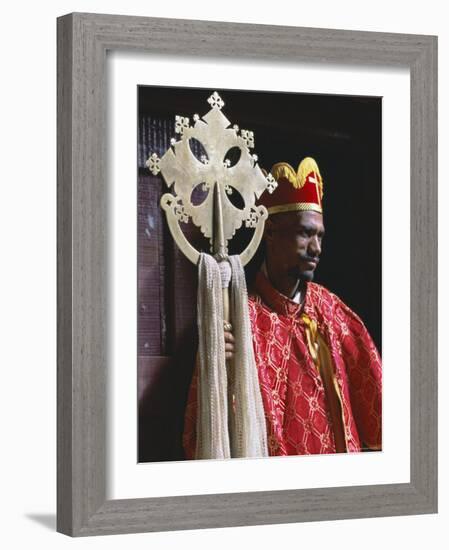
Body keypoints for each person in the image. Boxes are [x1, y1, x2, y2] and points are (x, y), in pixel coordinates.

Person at [183, 157, 382, 458]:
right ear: (271, 232)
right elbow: (209, 424)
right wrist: (215, 364)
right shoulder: (239, 317)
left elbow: (379, 409)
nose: (316, 248)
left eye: (320, 235)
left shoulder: (332, 311)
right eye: (305, 233)